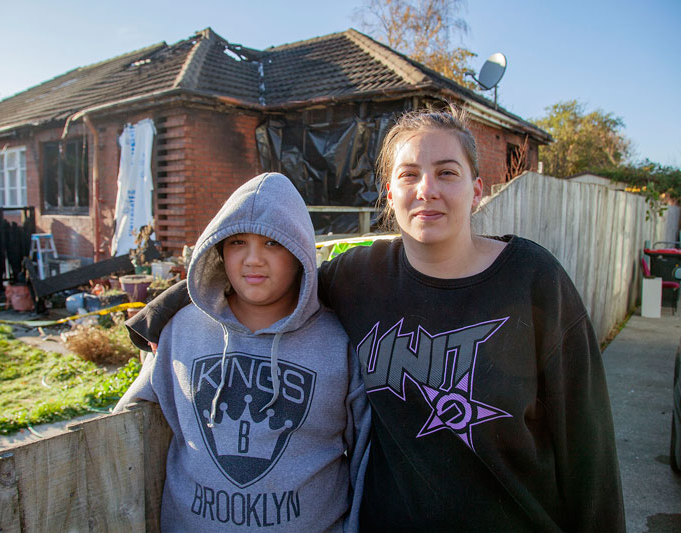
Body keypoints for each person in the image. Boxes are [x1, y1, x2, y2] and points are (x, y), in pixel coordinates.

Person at [134, 107, 626, 531]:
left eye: (447, 172)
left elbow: (589, 447)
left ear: (477, 189)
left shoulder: (533, 280)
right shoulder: (359, 277)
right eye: (409, 174)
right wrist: (166, 308)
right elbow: (275, 272)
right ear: (390, 194)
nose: (427, 189)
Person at [116, 172, 370, 532]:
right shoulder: (181, 330)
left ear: (299, 251)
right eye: (237, 242)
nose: (252, 259)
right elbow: (124, 423)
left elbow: (365, 456)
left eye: (272, 243)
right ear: (218, 248)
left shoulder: (338, 340)